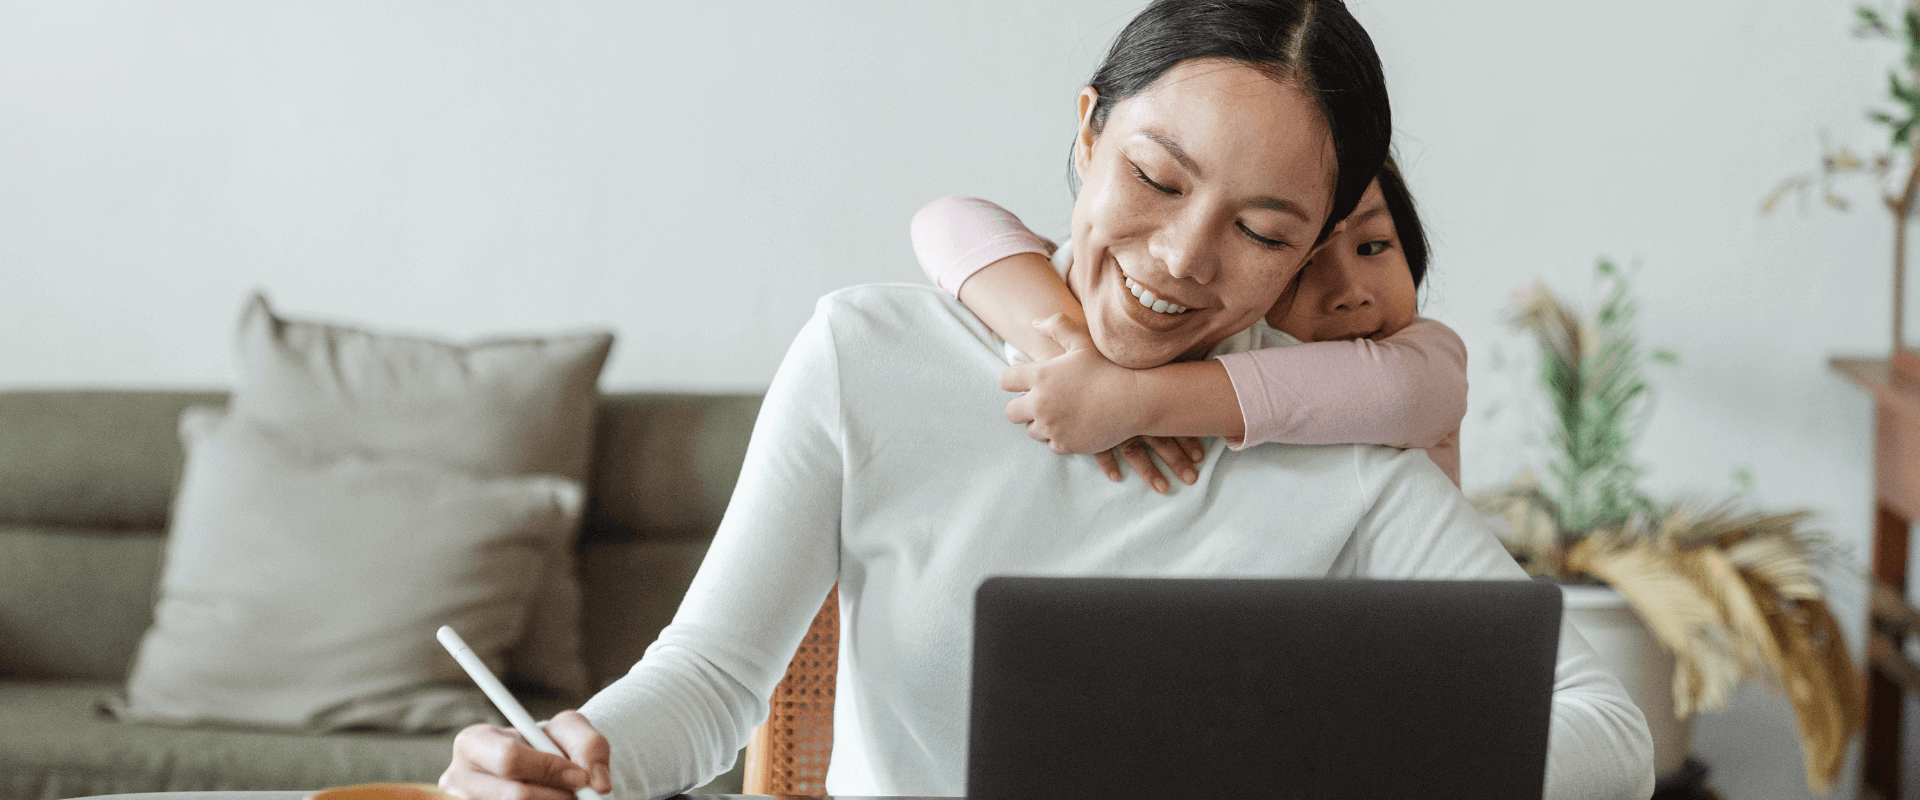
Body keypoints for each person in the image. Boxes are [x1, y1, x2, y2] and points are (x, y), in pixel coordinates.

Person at [440, 2, 1656, 799]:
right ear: (1086, 134)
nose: (1183, 257)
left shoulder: (1345, 452)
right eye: (1154, 176)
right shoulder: (869, 356)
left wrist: (1321, 754)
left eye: (1262, 229)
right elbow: (708, 683)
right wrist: (566, 758)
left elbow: (1610, 733)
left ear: (1310, 255)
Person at [911, 156, 1467, 490]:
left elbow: (1395, 390)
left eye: (1375, 246)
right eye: (1302, 265)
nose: (1350, 293)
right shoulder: (1220, 343)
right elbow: (949, 221)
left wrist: (1131, 398)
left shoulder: (1425, 358)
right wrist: (1072, 353)